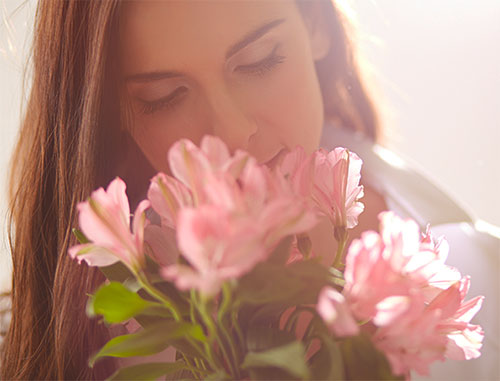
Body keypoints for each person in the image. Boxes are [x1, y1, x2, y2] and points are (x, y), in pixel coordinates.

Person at [1, 0, 497, 380]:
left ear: (315, 27)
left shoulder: (476, 272)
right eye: (164, 97)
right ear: (112, 114)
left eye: (260, 60)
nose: (234, 133)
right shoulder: (77, 328)